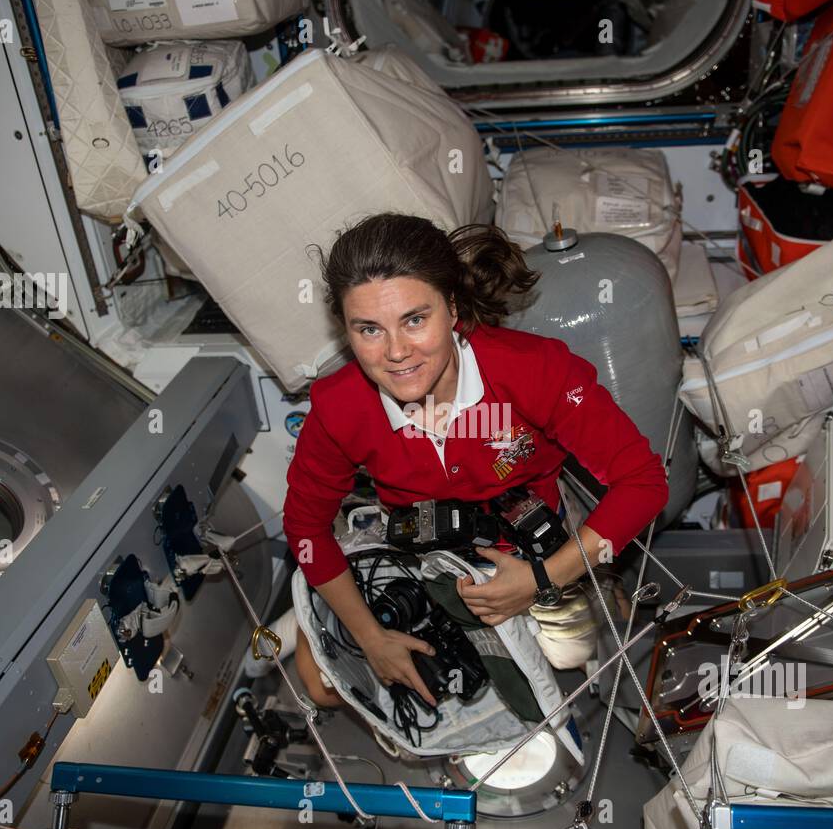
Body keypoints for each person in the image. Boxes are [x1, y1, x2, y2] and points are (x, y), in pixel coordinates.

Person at [283, 212, 669, 709]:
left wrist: (543, 578)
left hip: (539, 545)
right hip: (420, 551)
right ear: (345, 330)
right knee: (320, 687)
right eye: (369, 330)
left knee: (572, 655)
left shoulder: (534, 371)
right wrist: (370, 638)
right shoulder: (339, 408)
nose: (396, 353)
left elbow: (643, 482)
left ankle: (595, 593)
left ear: (452, 307)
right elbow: (306, 528)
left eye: (415, 320)